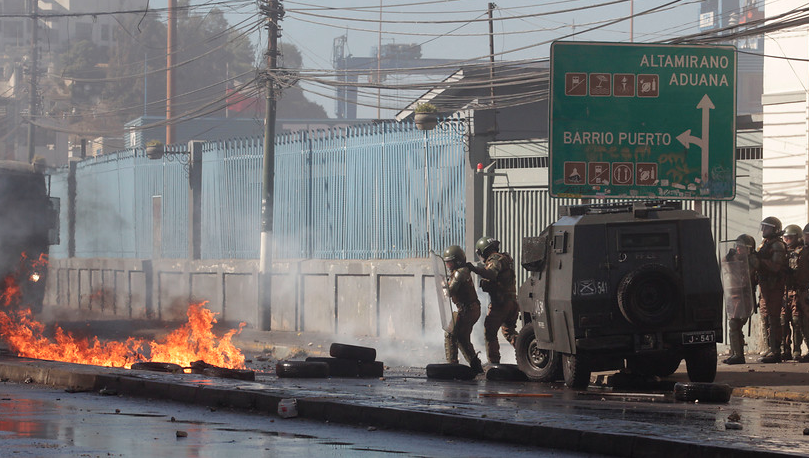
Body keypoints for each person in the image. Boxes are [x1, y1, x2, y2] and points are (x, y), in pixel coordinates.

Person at [467, 236, 519, 365]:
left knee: (489, 331)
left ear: (484, 251)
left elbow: (490, 273)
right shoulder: (504, 259)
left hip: (500, 304)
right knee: (509, 332)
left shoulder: (495, 259)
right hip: (512, 302)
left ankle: (493, 363)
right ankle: (525, 355)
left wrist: (473, 269)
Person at [441, 245, 484, 374]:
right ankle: (476, 367)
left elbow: (450, 291)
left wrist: (443, 285)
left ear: (458, 260)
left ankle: (452, 367)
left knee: (450, 333)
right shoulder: (460, 271)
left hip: (468, 310)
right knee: (462, 338)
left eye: (450, 262)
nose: (448, 265)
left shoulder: (460, 272)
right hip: (468, 309)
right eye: (446, 262)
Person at [723, 234, 758, 365]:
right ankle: (735, 353)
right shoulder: (736, 259)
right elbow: (725, 266)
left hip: (745, 296)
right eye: (737, 247)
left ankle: (738, 355)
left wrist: (742, 259)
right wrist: (728, 258)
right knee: (734, 324)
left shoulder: (752, 260)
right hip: (734, 295)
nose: (739, 249)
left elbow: (749, 272)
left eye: (742, 247)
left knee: (735, 324)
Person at [757, 217, 788, 363]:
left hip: (774, 286)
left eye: (767, 227)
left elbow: (775, 267)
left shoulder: (778, 246)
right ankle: (770, 348)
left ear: (774, 229)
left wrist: (759, 261)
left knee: (774, 318)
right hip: (765, 286)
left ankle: (776, 351)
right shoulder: (766, 244)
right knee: (766, 317)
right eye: (763, 227)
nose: (763, 230)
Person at [782, 224, 805, 360]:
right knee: (783, 320)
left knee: (796, 320)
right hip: (783, 290)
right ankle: (785, 349)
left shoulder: (802, 251)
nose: (787, 240)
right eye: (785, 237)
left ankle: (796, 350)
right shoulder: (780, 251)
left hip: (796, 290)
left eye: (790, 238)